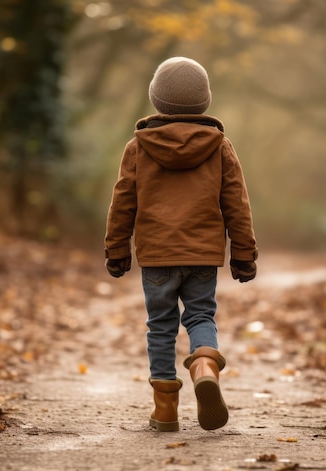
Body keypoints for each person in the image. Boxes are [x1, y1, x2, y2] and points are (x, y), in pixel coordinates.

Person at [104, 57, 258, 432]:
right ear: (204, 101)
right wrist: (243, 253)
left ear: (157, 99)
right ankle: (205, 366)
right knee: (201, 316)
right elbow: (236, 202)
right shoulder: (220, 145)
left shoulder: (138, 147)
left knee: (160, 326)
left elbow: (123, 201)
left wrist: (117, 248)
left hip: (157, 255)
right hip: (203, 254)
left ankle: (166, 409)